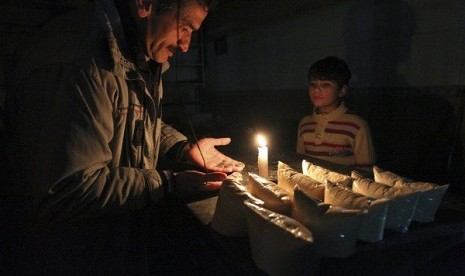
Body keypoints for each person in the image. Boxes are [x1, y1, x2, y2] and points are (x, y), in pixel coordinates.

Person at [3, 0, 243, 273]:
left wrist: (181, 147)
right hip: (68, 258)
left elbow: (132, 119)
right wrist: (168, 183)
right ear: (145, 4)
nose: (186, 45)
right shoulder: (79, 61)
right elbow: (68, 189)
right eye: (185, 27)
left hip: (112, 247)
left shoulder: (136, 51)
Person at [296, 56, 376, 169]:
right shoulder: (305, 124)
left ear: (342, 90)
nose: (316, 90)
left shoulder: (356, 125)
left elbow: (366, 171)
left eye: (325, 84)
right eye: (313, 84)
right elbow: (300, 163)